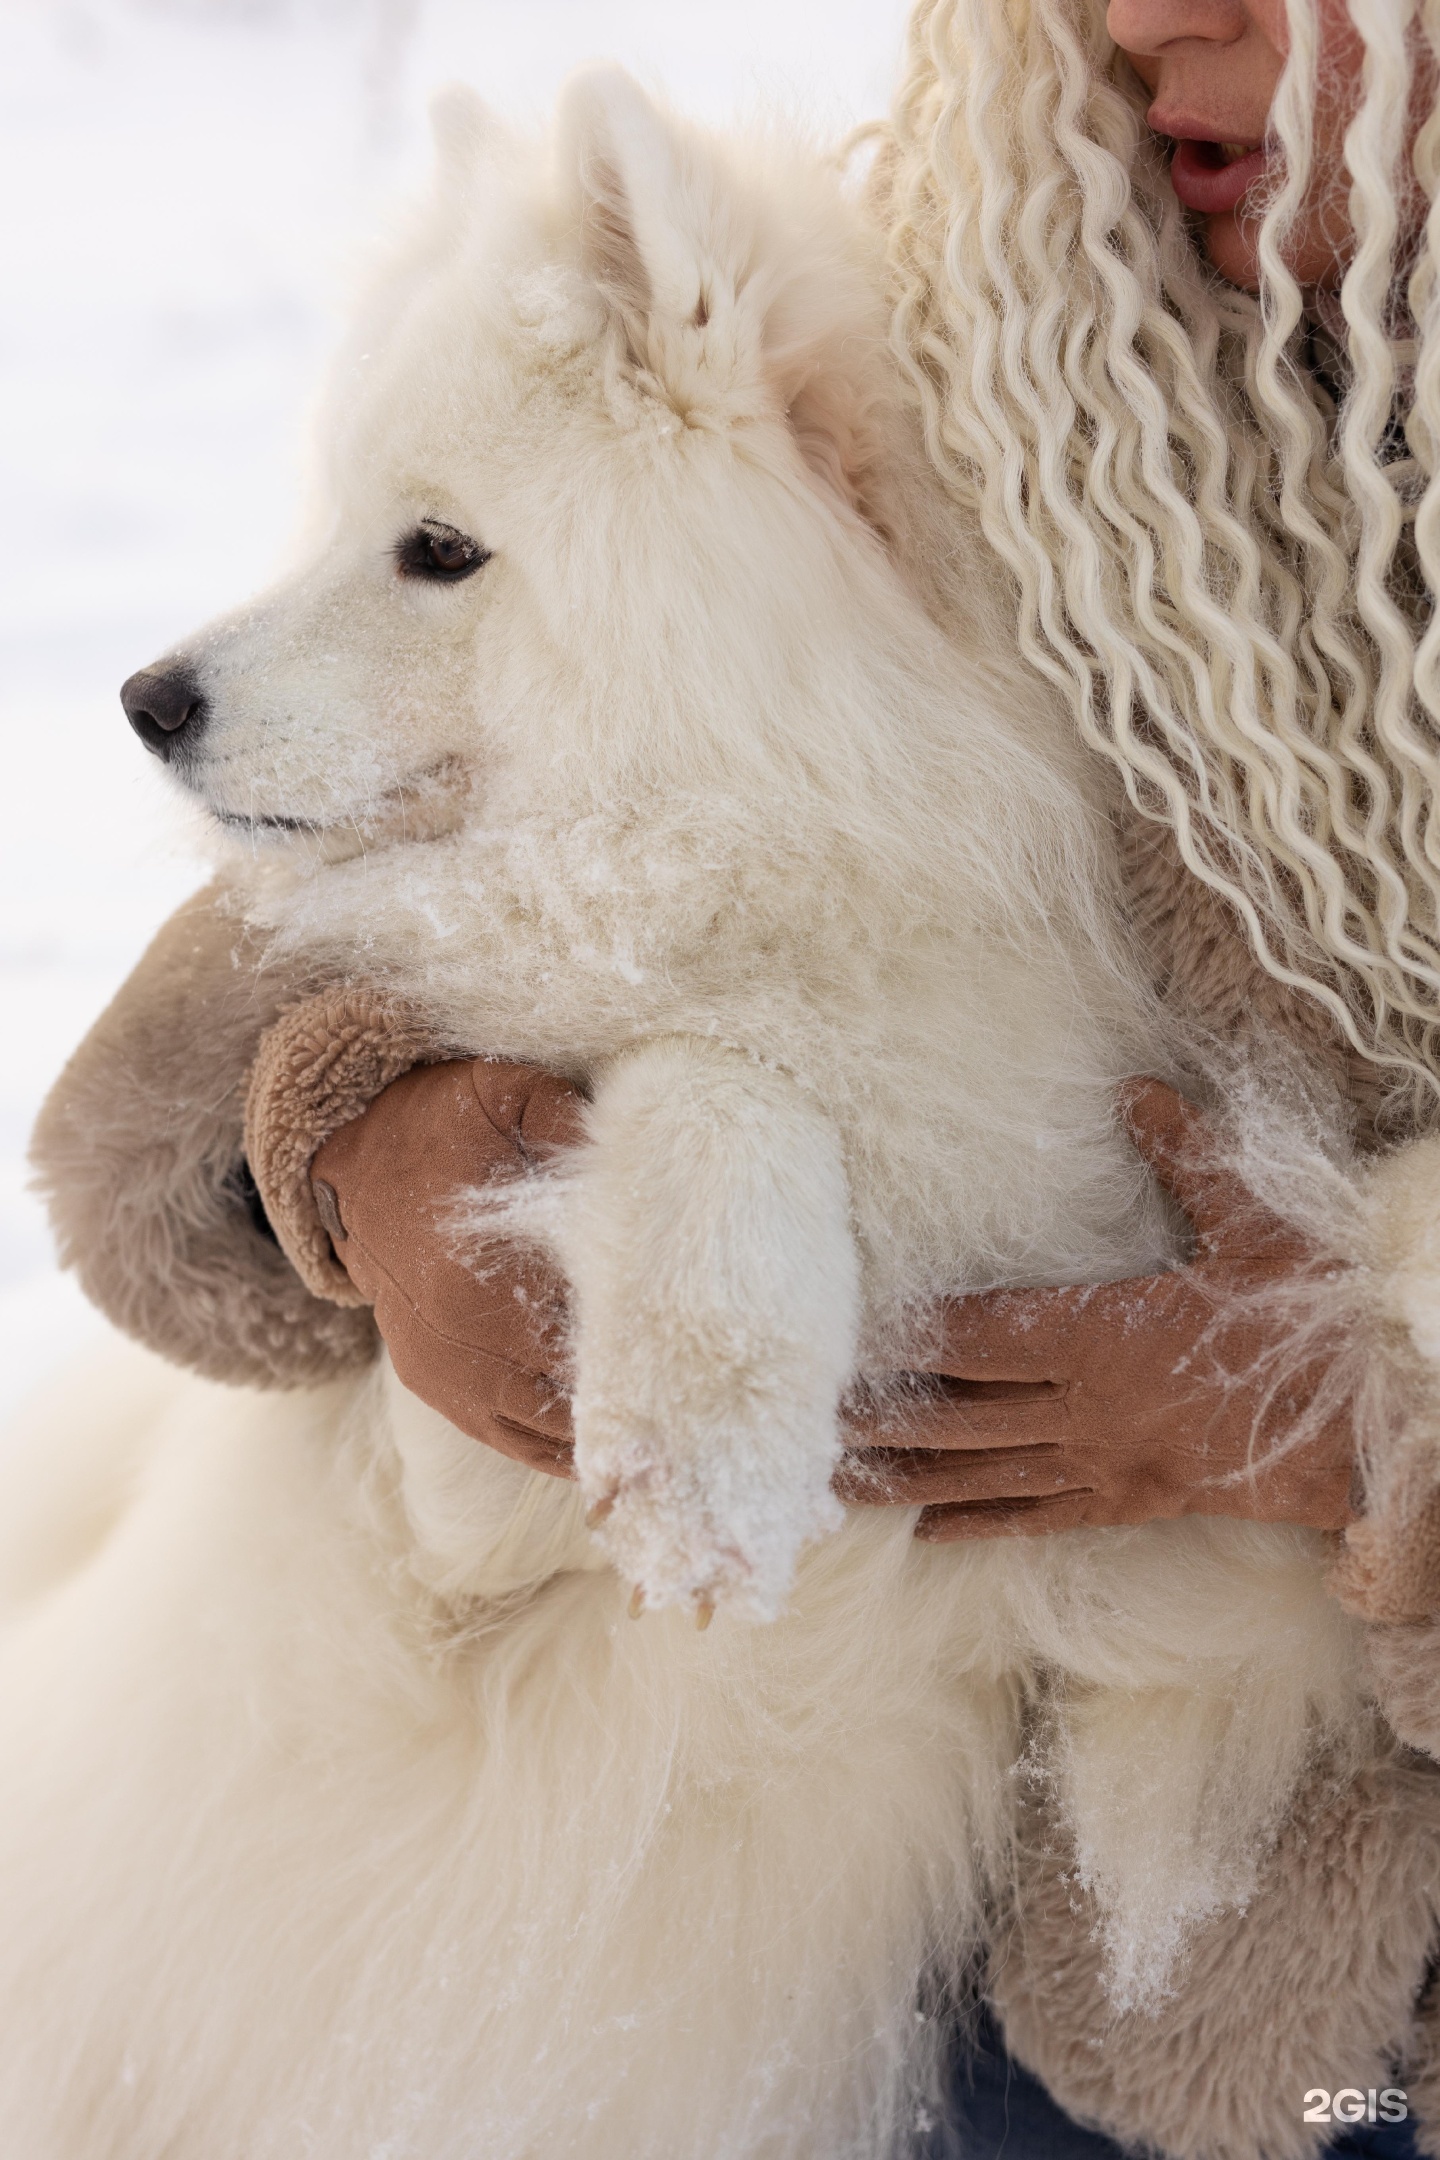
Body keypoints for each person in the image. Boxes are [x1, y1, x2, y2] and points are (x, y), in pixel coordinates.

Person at [28, 1, 1440, 2154]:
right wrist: (378, 1138)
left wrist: (1373, 1417)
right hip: (958, 1877)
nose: (1154, 20)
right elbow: (293, 1001)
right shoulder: (1017, 322)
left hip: (1320, 1936)